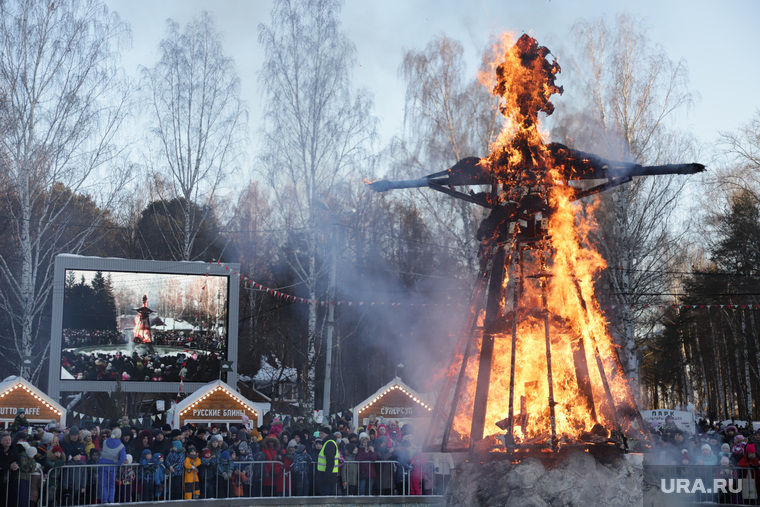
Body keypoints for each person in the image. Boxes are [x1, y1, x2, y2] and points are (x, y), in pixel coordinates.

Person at [98, 427, 127, 503]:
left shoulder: (105, 441)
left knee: (103, 484)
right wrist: (118, 464)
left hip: (102, 464)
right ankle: (111, 500)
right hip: (113, 466)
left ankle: (104, 500)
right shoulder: (121, 446)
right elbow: (123, 458)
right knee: (111, 484)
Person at [316, 427, 339, 496]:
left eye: (322, 433)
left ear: (327, 434)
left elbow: (330, 460)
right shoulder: (327, 443)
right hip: (328, 474)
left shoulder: (329, 444)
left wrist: (327, 475)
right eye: (320, 433)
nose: (320, 435)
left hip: (327, 475)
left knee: (326, 495)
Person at [0, 431, 20, 505]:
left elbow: (18, 459)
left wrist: (16, 465)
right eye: (5, 440)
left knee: (10, 496)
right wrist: (9, 466)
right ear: (1, 441)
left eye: (9, 440)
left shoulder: (13, 449)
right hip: (1, 476)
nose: (8, 442)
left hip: (11, 477)